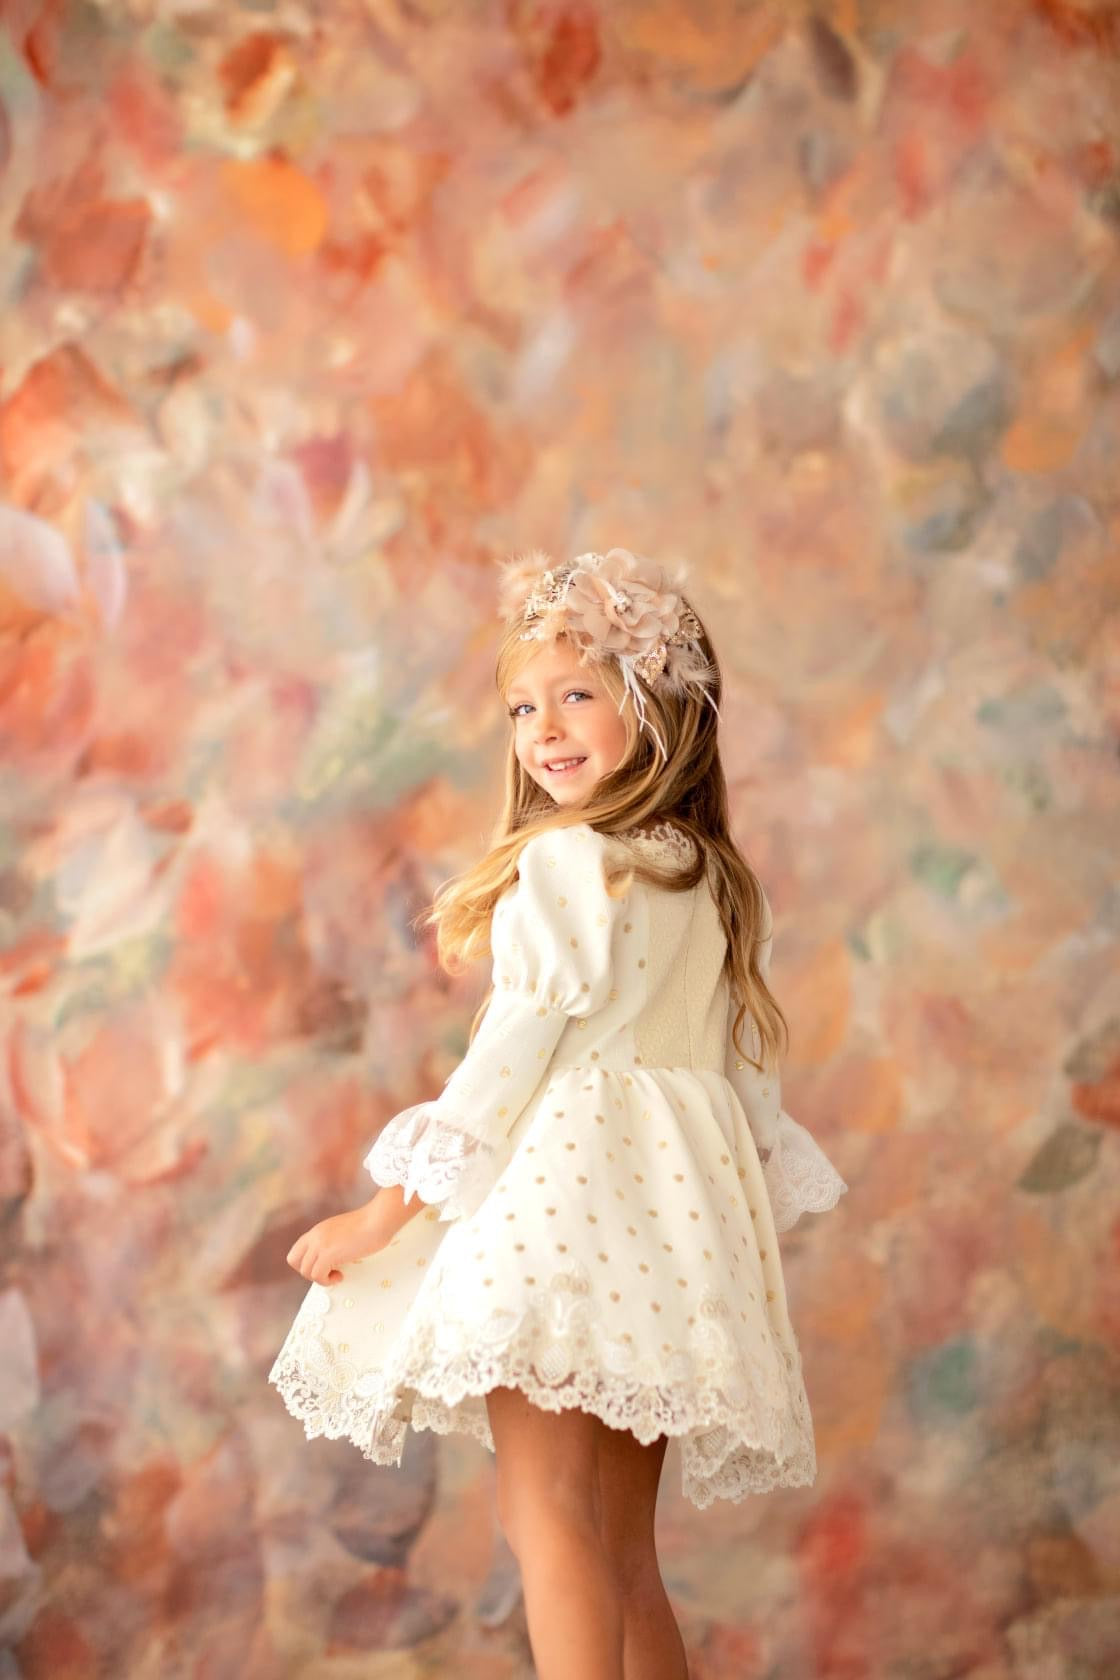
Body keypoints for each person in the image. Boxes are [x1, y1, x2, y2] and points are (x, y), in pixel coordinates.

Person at [270, 546, 848, 1680]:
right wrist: (723, 1241)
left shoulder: (568, 864)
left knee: (545, 1518)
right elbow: (747, 1090)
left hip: (562, 1214)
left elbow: (508, 1060)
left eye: (577, 693)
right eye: (523, 707)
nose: (544, 729)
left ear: (658, 706)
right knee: (625, 1550)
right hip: (671, 1233)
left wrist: (383, 1215)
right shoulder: (716, 881)